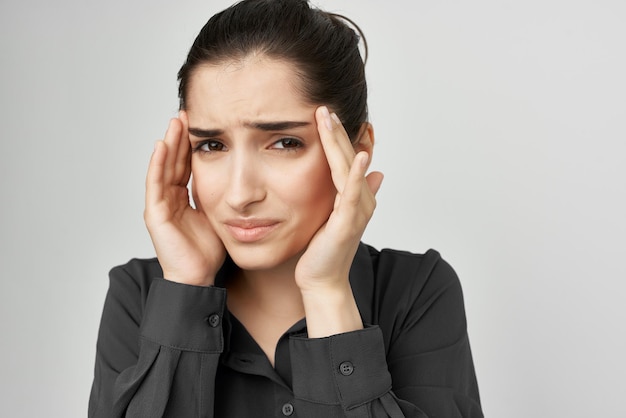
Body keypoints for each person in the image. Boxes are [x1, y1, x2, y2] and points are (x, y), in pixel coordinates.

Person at [88, 0, 483, 416]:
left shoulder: (415, 292)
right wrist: (187, 287)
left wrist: (327, 290)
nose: (240, 194)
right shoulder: (142, 296)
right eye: (212, 145)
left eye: (284, 143)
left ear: (356, 150)